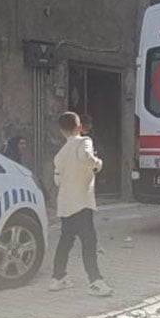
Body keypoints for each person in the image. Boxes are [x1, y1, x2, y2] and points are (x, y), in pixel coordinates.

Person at [49, 112, 113, 296]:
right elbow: (86, 157)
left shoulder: (59, 155)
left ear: (61, 131)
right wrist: (97, 164)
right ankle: (95, 281)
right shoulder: (84, 141)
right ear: (79, 127)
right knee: (89, 242)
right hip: (82, 202)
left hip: (65, 204)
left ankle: (57, 278)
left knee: (65, 241)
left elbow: (57, 181)